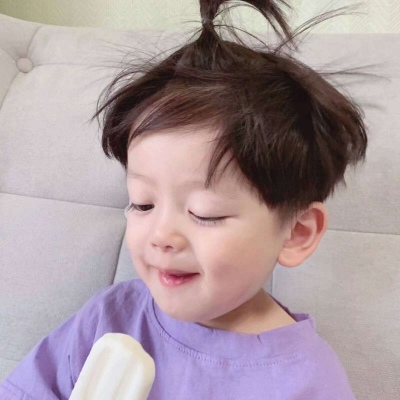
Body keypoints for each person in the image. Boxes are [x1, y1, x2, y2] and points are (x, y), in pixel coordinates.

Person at [0, 0, 368, 399]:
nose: (162, 236)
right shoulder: (111, 316)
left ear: (296, 233)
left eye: (203, 213)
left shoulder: (308, 382)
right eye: (143, 203)